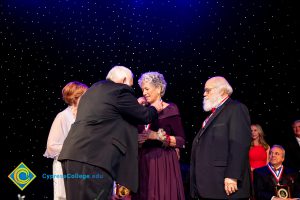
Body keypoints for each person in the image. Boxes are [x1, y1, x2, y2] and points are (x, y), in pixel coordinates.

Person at [58, 66, 162, 200]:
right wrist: (154, 108)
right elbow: (144, 116)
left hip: (72, 156)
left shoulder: (93, 90)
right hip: (93, 159)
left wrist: (133, 104)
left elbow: (109, 113)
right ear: (124, 80)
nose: (131, 90)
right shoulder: (120, 90)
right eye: (131, 85)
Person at [190, 76, 252, 199]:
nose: (204, 94)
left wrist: (232, 176)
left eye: (208, 90)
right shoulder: (214, 114)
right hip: (210, 184)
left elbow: (239, 144)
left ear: (222, 91)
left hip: (225, 184)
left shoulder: (236, 109)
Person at [131, 72, 186, 200]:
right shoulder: (142, 111)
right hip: (142, 161)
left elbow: (181, 140)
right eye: (142, 89)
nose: (144, 92)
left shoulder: (171, 109)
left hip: (162, 161)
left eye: (147, 89)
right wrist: (137, 140)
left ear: (159, 88)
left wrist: (157, 136)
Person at [43, 81, 88, 200]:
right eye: (85, 96)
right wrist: (76, 148)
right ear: (76, 97)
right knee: (64, 196)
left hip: (81, 166)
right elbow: (51, 147)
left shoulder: (85, 116)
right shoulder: (63, 116)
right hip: (64, 167)